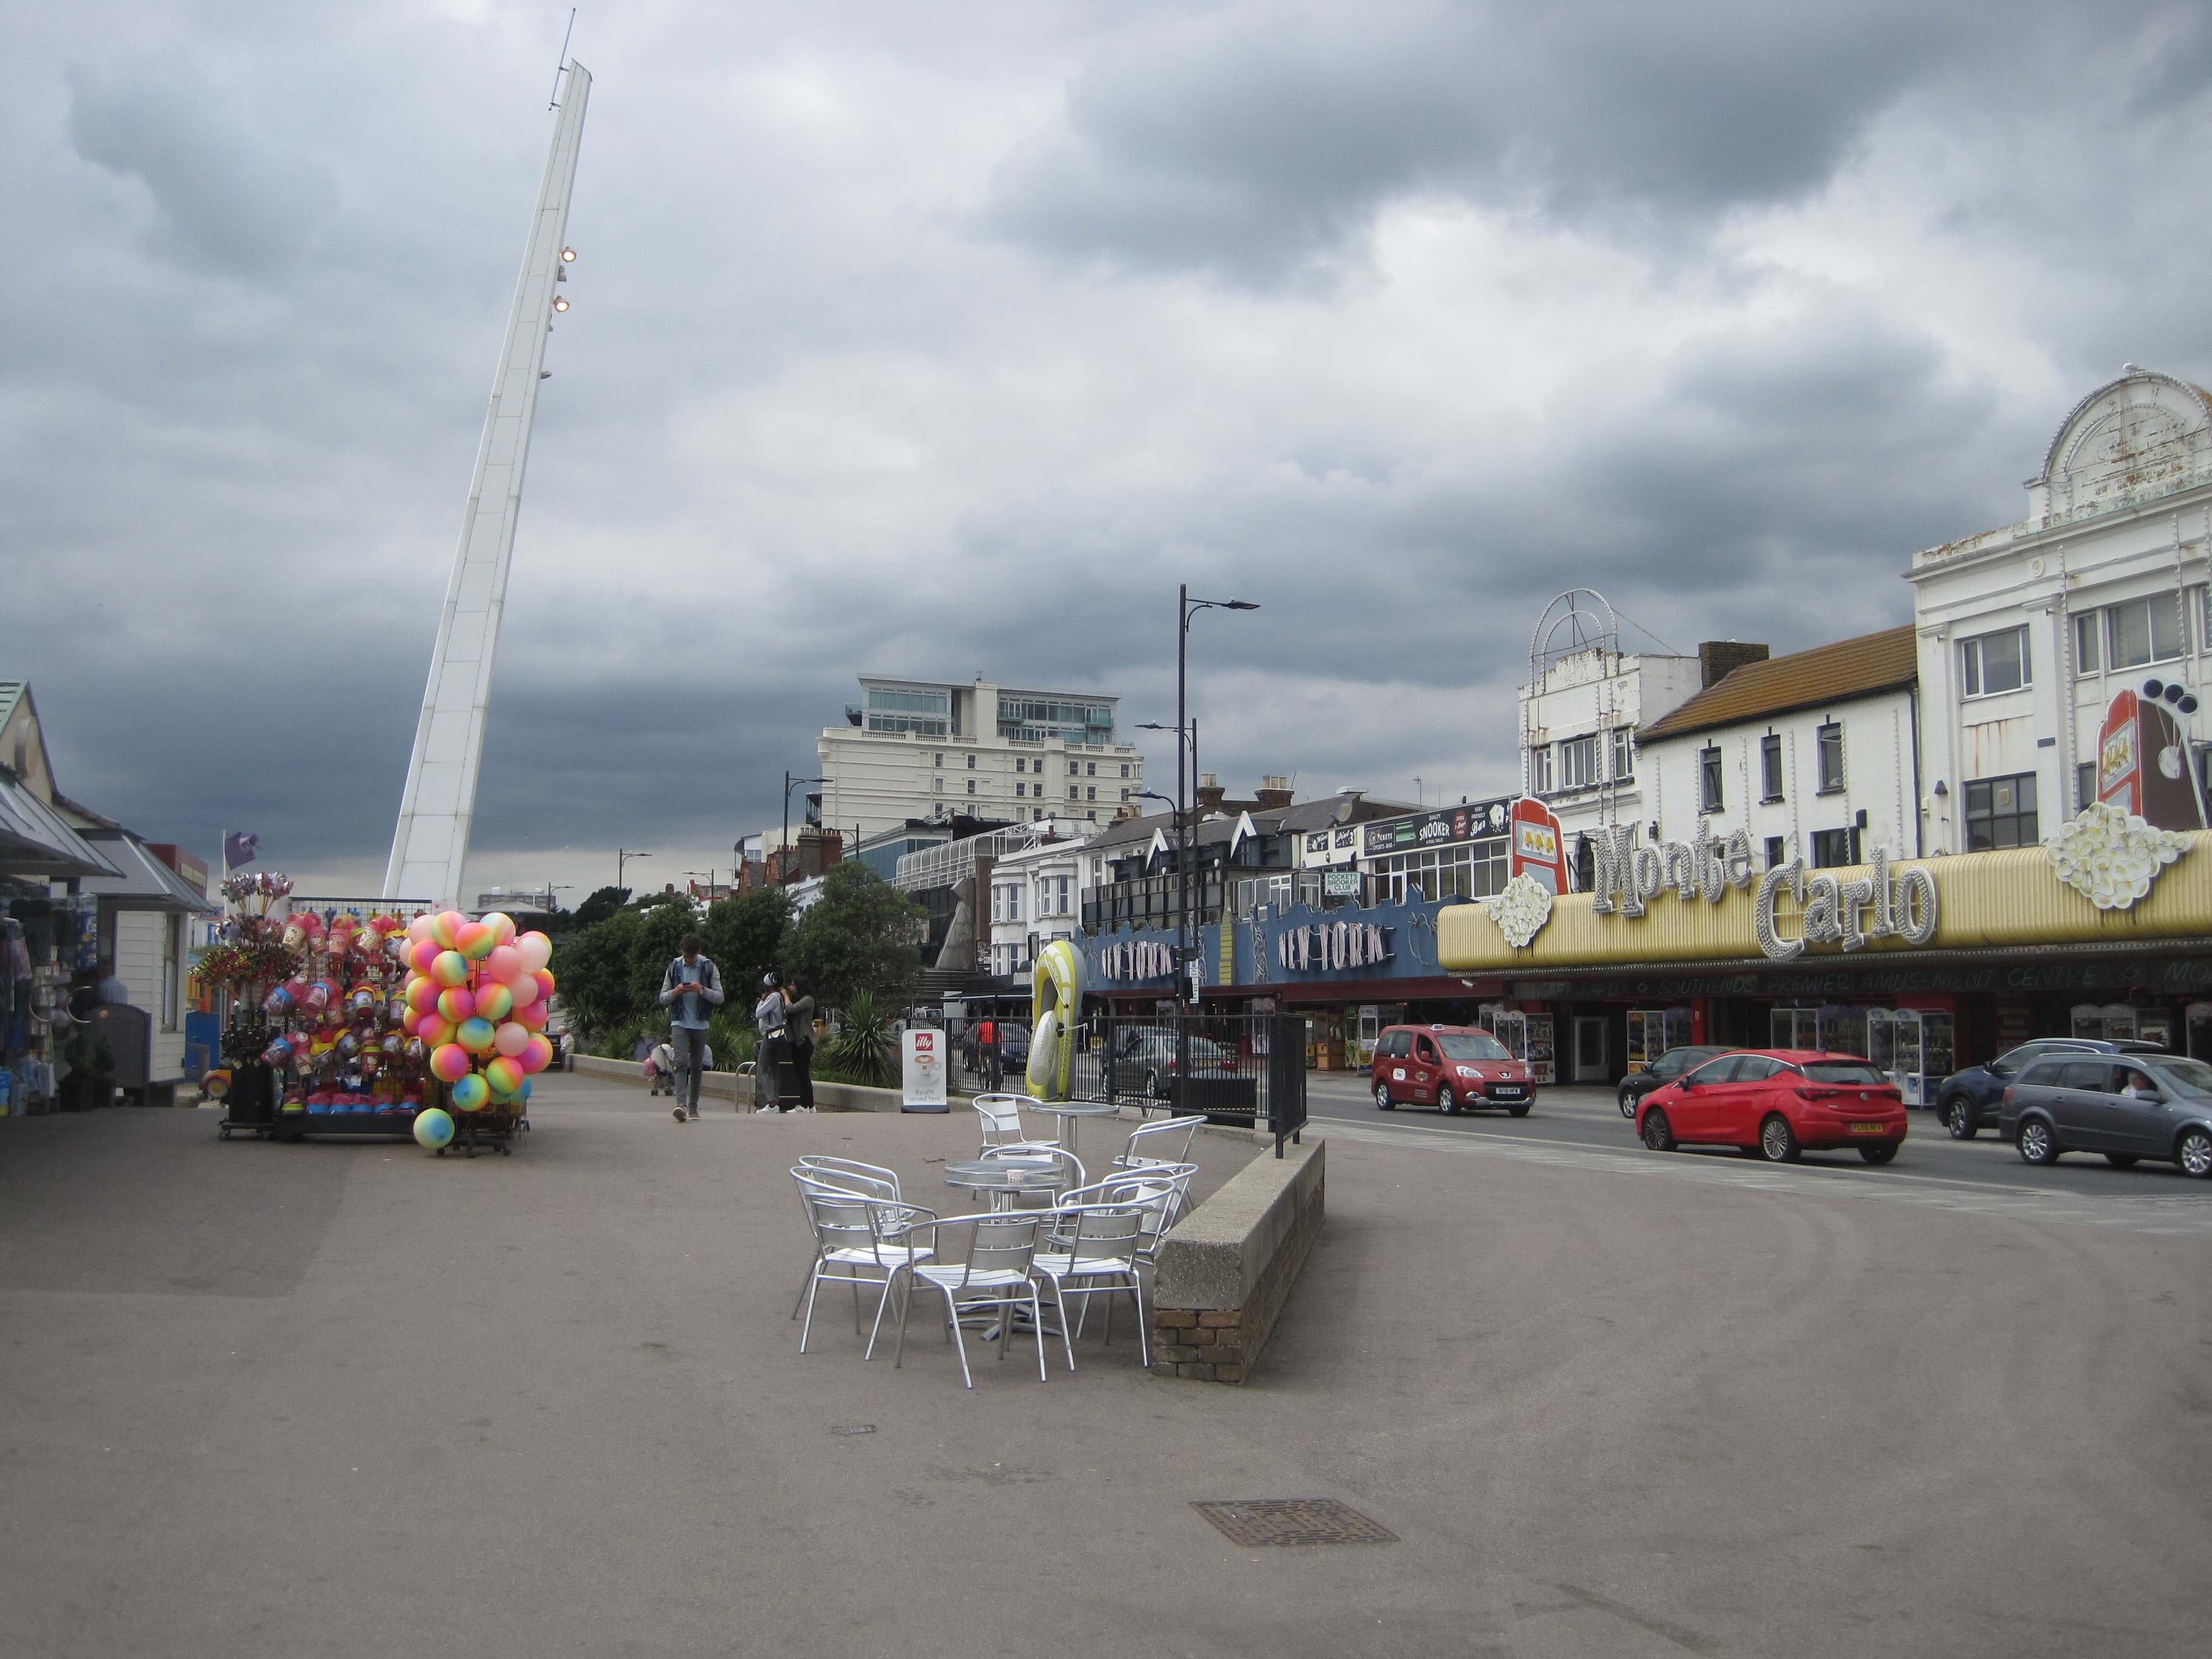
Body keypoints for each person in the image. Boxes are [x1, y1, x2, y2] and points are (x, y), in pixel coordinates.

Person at [658, 934, 724, 1122]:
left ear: (699, 953)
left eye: (692, 957)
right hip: (679, 1021)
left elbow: (720, 997)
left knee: (696, 1066)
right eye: (686, 956)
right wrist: (675, 992)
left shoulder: (710, 968)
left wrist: (702, 989)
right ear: (682, 953)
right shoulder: (674, 967)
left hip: (700, 1023)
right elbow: (662, 997)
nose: (689, 960)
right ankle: (681, 1105)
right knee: (680, 1062)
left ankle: (694, 1106)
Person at [782, 977, 817, 1114]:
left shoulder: (808, 999)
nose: (790, 988)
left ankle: (804, 1105)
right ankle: (810, 1105)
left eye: (792, 985)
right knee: (802, 1074)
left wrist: (785, 995)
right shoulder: (800, 999)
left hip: (805, 1041)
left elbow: (791, 1008)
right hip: (797, 1042)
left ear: (799, 986)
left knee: (803, 1074)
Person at [753, 975, 788, 1114]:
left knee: (762, 1069)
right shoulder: (779, 997)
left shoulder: (772, 997)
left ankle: (771, 1103)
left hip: (770, 1035)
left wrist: (761, 1001)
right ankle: (776, 1102)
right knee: (774, 1069)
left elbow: (759, 1014)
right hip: (777, 1035)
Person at [974, 1014, 1000, 1090]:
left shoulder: (982, 1026)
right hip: (997, 1045)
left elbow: (978, 1037)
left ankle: (983, 1068)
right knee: (998, 1059)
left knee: (981, 1055)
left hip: (987, 1045)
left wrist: (976, 1045)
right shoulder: (995, 1025)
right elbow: (1000, 1036)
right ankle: (999, 1071)